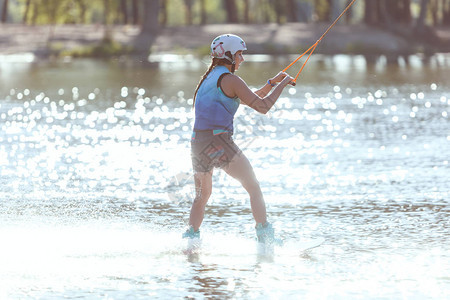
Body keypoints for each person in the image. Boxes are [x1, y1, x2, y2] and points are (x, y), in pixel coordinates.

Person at [182, 34, 293, 244]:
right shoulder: (231, 79)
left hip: (198, 143)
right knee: (253, 186)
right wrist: (285, 83)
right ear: (230, 55)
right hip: (219, 143)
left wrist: (272, 82)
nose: (242, 59)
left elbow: (251, 97)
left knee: (202, 196)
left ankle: (191, 239)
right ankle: (265, 237)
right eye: (240, 54)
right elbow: (262, 106)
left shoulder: (209, 78)